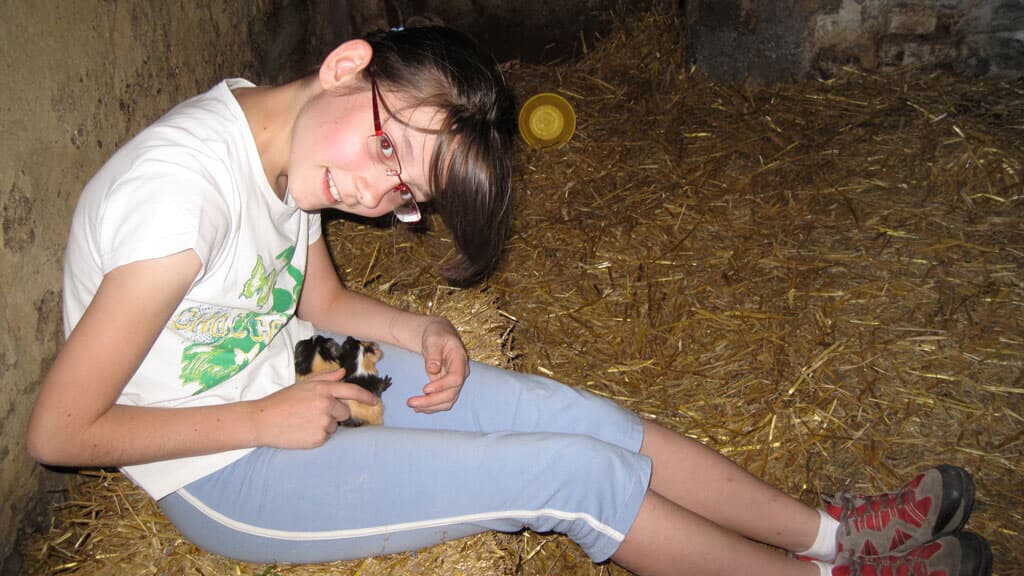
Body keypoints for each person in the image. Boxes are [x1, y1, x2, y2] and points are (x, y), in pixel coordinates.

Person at [26, 24, 992, 576]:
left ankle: (835, 536)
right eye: (390, 151)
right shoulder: (179, 205)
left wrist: (419, 327)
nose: (375, 192)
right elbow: (60, 433)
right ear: (346, 66)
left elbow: (317, 298)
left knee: (579, 418)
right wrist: (261, 418)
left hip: (298, 371)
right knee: (570, 477)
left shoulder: (287, 138)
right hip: (221, 463)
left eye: (405, 194)